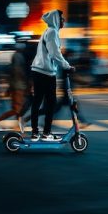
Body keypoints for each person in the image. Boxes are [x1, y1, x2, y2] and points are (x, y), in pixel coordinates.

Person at [30, 10, 73, 141]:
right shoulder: (52, 32)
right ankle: (46, 133)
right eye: (62, 18)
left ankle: (35, 132)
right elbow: (55, 54)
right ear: (56, 19)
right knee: (50, 103)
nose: (63, 21)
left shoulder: (47, 32)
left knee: (37, 102)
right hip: (46, 73)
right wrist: (67, 66)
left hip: (38, 71)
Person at [0, 44, 29, 135]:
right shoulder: (18, 56)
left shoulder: (16, 56)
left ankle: (20, 130)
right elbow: (17, 71)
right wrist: (25, 82)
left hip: (18, 86)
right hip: (18, 86)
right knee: (17, 110)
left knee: (19, 110)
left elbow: (13, 72)